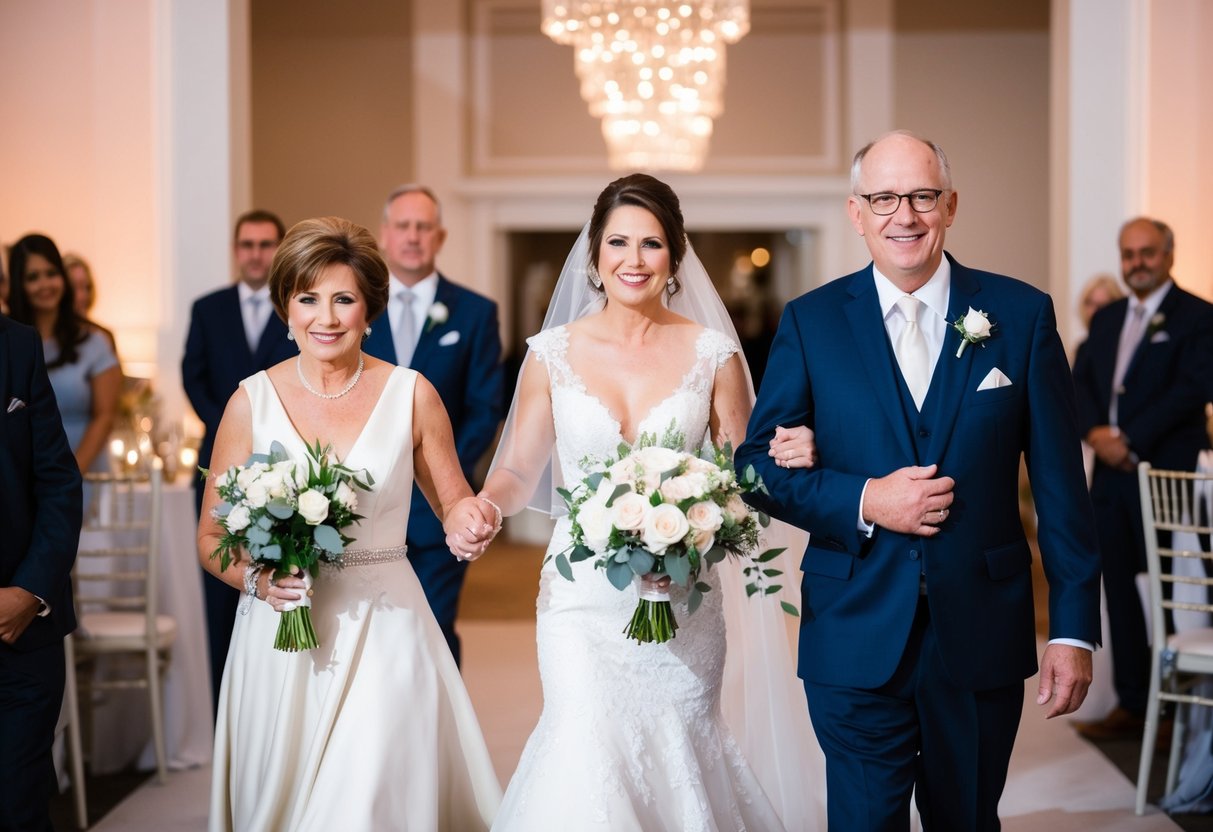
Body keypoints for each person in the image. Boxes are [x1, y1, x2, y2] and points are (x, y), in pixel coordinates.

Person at [735, 131, 1102, 830]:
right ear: (855, 212)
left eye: (921, 196)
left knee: (963, 818)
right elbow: (753, 467)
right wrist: (865, 498)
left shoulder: (1020, 316)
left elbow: (1059, 484)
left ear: (950, 205)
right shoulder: (810, 322)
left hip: (980, 631)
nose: (902, 215)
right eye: (882, 198)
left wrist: (1073, 629)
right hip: (852, 630)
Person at [462, 174, 826, 830]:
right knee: (583, 739)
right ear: (594, 257)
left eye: (651, 243)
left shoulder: (712, 353)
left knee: (679, 743)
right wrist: (487, 503)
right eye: (618, 242)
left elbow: (745, 471)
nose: (633, 259)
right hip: (582, 603)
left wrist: (790, 458)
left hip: (683, 597)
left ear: (674, 257)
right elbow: (518, 465)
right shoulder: (553, 354)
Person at [198, 216, 501, 831]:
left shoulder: (412, 394)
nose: (326, 317)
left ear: (370, 311)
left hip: (385, 625)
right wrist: (259, 582)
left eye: (344, 299)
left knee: (370, 794)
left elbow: (454, 501)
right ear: (287, 307)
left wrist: (471, 521)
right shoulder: (247, 401)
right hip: (279, 633)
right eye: (308, 299)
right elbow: (211, 538)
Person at [1071, 218, 1213, 740]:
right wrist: (1096, 432)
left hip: (1169, 473)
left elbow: (1194, 387)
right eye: (1128, 254)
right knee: (1118, 589)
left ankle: (1186, 703)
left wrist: (1126, 437)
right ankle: (1134, 702)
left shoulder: (1199, 316)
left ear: (1168, 254)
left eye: (1147, 252)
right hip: (1110, 481)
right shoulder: (1107, 318)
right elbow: (1081, 382)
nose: (1137, 263)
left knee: (1178, 585)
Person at [363, 185, 505, 666]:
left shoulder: (475, 312)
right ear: (384, 235)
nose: (412, 236)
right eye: (402, 225)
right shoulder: (353, 309)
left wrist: (439, 475)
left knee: (434, 631)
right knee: (372, 635)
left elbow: (486, 406)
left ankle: (441, 737)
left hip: (439, 507)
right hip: (362, 501)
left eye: (423, 227)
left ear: (439, 236)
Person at [182, 209, 298, 711]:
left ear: (278, 250)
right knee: (220, 588)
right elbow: (194, 376)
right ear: (236, 251)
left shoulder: (295, 309)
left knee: (285, 581)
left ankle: (279, 704)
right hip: (219, 467)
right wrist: (234, 431)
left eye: (266, 244)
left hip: (287, 471)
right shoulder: (208, 309)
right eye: (247, 244)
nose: (256, 253)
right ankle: (225, 712)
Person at [0, 302, 84, 830]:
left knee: (18, 803)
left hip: (21, 632)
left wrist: (30, 592)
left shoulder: (18, 344)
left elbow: (59, 483)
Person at [7, 233, 122, 474]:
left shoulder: (94, 341)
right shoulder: (11, 343)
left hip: (83, 470)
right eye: (33, 277)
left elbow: (105, 416)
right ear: (19, 285)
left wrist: (69, 475)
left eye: (51, 273)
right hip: (22, 474)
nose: (45, 284)